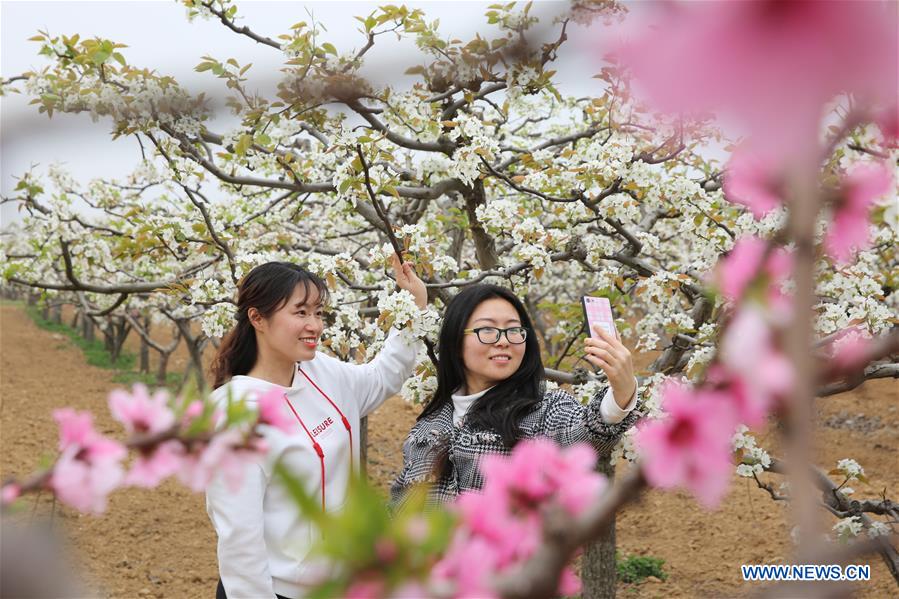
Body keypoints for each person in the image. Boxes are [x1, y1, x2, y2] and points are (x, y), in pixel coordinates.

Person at [207, 257, 426, 599]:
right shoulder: (235, 415)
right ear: (257, 318)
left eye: (318, 313)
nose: (315, 326)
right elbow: (240, 539)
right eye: (300, 312)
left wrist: (412, 308)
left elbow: (382, 377)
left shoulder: (320, 371)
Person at [391, 284, 639, 506]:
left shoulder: (544, 409)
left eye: (513, 330)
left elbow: (584, 431)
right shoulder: (430, 423)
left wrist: (621, 392)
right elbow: (400, 507)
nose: (503, 341)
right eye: (487, 330)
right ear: (455, 342)